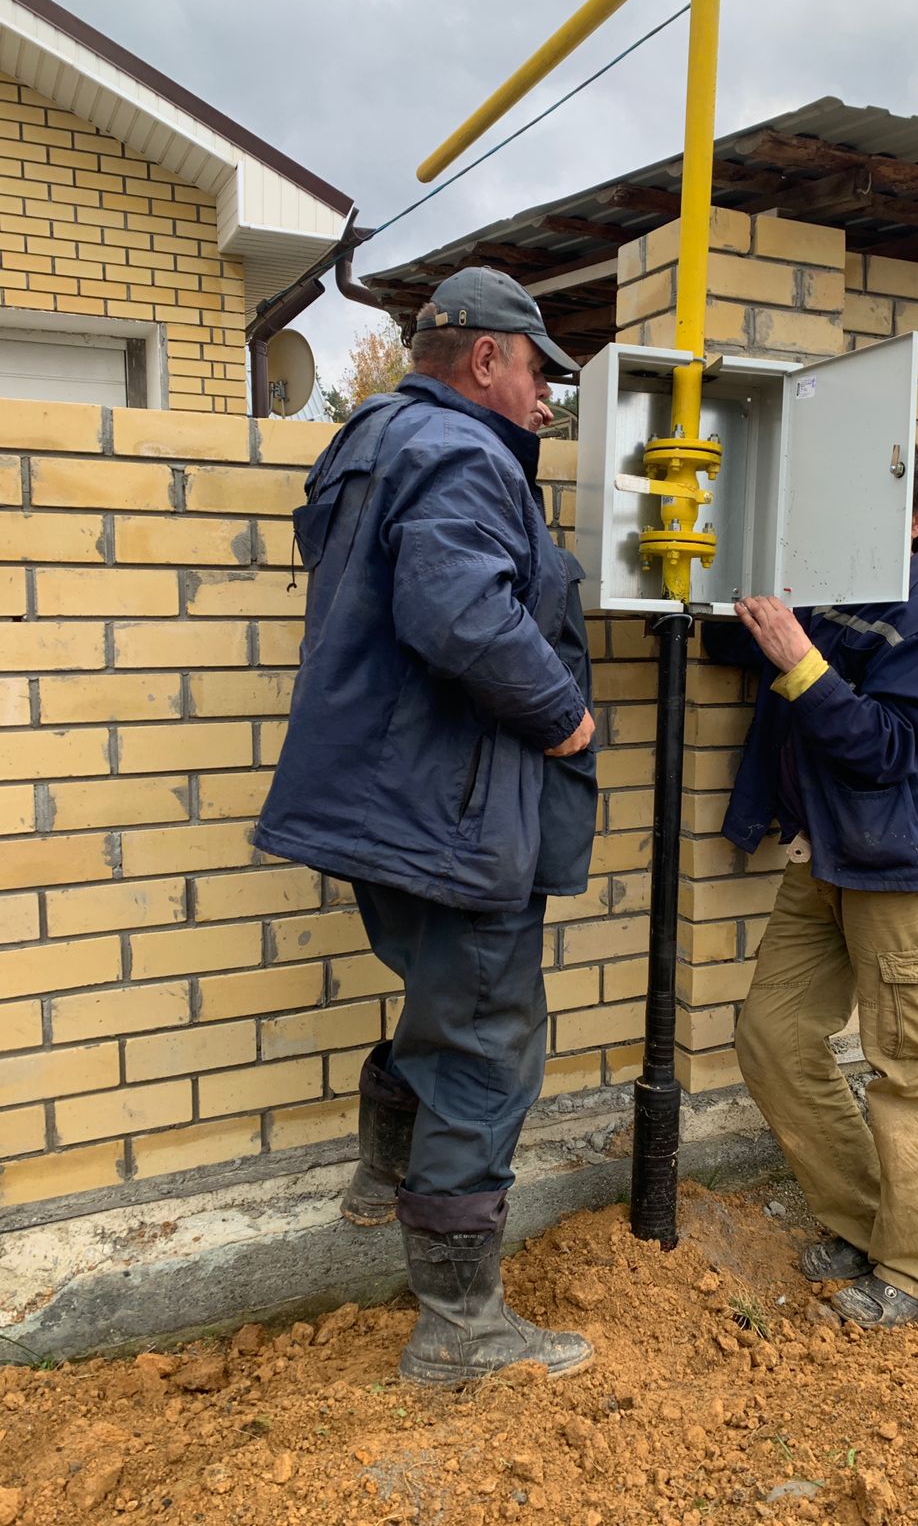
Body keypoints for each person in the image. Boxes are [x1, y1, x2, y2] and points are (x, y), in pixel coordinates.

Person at [255, 267, 598, 1384]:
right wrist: (564, 721)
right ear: (487, 358)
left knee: (440, 996)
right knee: (489, 1041)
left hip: (389, 804)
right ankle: (461, 1328)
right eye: (538, 367)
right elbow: (457, 611)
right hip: (450, 812)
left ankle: (376, 1182)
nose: (546, 394)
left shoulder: (370, 440)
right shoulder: (457, 451)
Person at [703, 444, 918, 1327]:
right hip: (826, 858)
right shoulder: (835, 593)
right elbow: (752, 643)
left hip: (899, 866)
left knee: (911, 1070)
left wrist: (799, 658)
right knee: (774, 1037)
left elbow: (888, 749)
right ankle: (866, 1221)